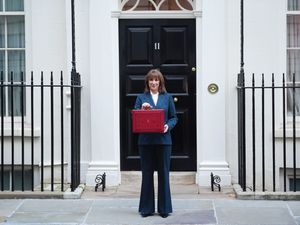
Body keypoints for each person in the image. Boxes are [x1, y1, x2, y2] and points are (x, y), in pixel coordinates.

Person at [134, 69, 178, 218]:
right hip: (146, 142)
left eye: (156, 80)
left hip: (163, 141)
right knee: (147, 174)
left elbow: (173, 118)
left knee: (163, 174)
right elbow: (135, 117)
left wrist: (168, 126)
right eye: (151, 80)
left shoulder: (167, 97)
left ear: (160, 82)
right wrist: (142, 110)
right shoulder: (141, 98)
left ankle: (164, 208)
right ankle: (146, 209)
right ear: (147, 82)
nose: (154, 82)